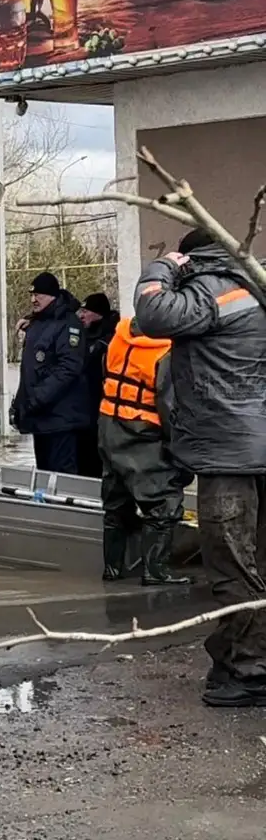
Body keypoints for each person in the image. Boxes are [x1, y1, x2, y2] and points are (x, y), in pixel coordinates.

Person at [134, 228, 266, 708]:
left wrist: (164, 266)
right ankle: (241, 661)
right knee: (256, 560)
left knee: (232, 563)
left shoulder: (213, 290)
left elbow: (151, 313)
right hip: (255, 445)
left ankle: (248, 670)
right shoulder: (255, 287)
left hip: (229, 451)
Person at [97, 316, 192, 586]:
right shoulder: (166, 351)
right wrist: (181, 449)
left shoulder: (120, 334)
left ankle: (112, 569)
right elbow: (170, 406)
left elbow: (105, 373)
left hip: (108, 424)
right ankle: (156, 571)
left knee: (116, 502)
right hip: (143, 431)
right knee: (164, 504)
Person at [11, 272, 90, 474]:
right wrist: (21, 404)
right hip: (42, 418)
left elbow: (69, 368)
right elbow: (31, 370)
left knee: (63, 477)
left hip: (61, 418)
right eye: (32, 295)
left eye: (38, 295)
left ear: (52, 296)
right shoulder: (38, 323)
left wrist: (37, 397)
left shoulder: (68, 324)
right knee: (45, 476)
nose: (33, 300)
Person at [76, 292, 120, 477]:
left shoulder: (111, 340)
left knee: (99, 465)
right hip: (82, 413)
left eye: (86, 311)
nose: (81, 315)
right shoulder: (82, 335)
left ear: (98, 314)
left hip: (103, 413)